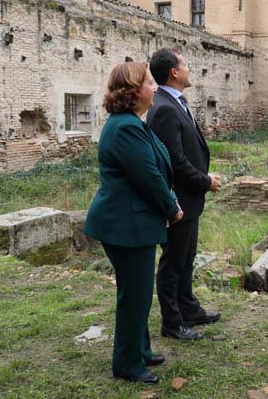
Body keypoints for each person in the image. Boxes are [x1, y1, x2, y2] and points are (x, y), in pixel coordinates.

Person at [84, 62, 183, 384]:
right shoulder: (126, 126)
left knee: (137, 292)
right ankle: (127, 363)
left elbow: (153, 167)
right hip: (126, 225)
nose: (155, 89)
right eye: (150, 83)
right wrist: (171, 208)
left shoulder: (129, 123)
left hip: (129, 222)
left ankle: (140, 350)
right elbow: (148, 177)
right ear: (134, 91)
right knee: (135, 296)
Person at [147, 48, 222, 341]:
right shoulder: (164, 107)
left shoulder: (176, 101)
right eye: (185, 65)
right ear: (174, 73)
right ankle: (172, 321)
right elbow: (175, 161)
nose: (189, 69)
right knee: (173, 261)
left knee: (186, 257)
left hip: (190, 199)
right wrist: (205, 181)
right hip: (179, 198)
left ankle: (188, 307)